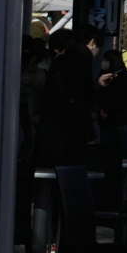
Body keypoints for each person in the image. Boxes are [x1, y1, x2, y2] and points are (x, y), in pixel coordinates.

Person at [35, 28, 97, 167]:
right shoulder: (47, 73)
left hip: (54, 139)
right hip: (57, 139)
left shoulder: (57, 70)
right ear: (57, 50)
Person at [92, 50, 127, 161]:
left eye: (106, 60)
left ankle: (122, 177)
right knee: (108, 154)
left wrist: (106, 109)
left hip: (122, 122)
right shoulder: (103, 76)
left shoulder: (124, 77)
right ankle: (111, 176)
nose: (104, 63)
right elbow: (97, 96)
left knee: (122, 155)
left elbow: (125, 98)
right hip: (108, 122)